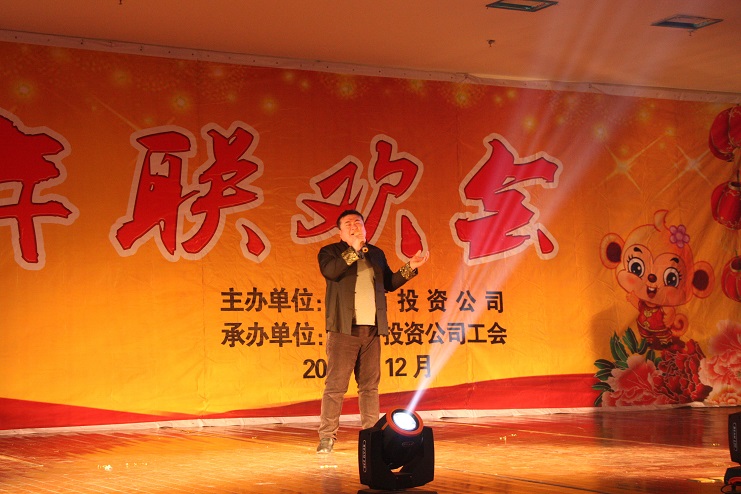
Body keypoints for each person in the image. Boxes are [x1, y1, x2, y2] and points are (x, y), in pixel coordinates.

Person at [316, 209, 430, 453]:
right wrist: (353, 250)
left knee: (369, 387)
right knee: (336, 387)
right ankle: (327, 436)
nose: (354, 226)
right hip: (344, 329)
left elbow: (388, 283)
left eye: (358, 223)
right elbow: (331, 272)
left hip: (372, 329)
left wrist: (410, 267)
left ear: (365, 228)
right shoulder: (330, 252)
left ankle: (372, 435)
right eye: (348, 224)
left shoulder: (375, 253)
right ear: (340, 232)